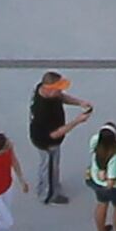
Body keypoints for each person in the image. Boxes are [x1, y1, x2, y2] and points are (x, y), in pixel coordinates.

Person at [29, 74, 93, 207]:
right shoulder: (42, 110)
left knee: (49, 166)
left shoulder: (43, 89)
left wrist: (79, 102)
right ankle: (48, 195)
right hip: (47, 143)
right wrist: (77, 121)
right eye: (58, 89)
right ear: (48, 89)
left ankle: (50, 184)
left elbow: (61, 97)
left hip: (48, 138)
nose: (60, 91)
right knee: (49, 167)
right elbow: (54, 134)